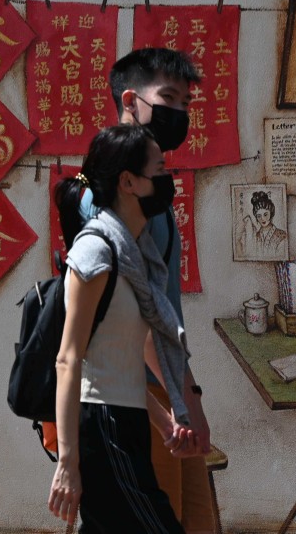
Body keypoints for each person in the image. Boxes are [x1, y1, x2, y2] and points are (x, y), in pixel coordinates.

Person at [81, 48, 216, 533]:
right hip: (130, 395)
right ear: (132, 101)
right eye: (169, 99)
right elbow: (129, 317)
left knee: (195, 519)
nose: (179, 114)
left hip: (160, 382)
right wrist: (181, 407)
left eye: (185, 103)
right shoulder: (111, 193)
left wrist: (188, 388)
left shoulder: (150, 189)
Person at [48, 125, 200, 532]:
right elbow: (70, 360)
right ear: (128, 181)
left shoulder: (135, 252)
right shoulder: (96, 251)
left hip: (123, 420)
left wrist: (163, 419)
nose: (169, 180)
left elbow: (120, 354)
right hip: (102, 424)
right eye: (160, 170)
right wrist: (67, 463)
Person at [238, 190, 288, 257]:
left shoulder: (282, 235)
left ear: (271, 213)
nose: (262, 219)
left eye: (265, 214)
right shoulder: (256, 236)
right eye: (259, 216)